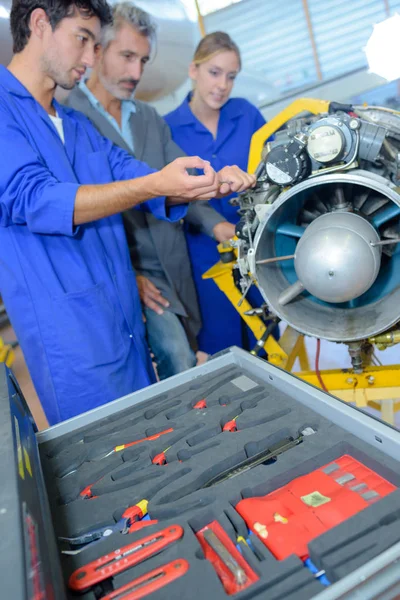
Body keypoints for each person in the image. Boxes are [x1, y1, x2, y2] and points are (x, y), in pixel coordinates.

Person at [0, 1, 255, 425]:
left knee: (153, 441)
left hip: (124, 328)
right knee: (108, 462)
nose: (89, 59)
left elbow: (144, 176)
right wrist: (155, 184)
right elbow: (35, 199)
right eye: (83, 39)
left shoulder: (75, 126)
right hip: (74, 339)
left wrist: (207, 180)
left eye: (96, 45)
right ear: (40, 22)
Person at [65, 3, 235, 381]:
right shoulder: (70, 120)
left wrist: (220, 225)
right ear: (96, 52)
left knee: (187, 356)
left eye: (143, 60)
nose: (136, 72)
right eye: (126, 56)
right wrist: (126, 278)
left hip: (174, 264)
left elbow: (182, 182)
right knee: (176, 358)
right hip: (128, 271)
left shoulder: (147, 118)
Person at [165, 32, 268, 356]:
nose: (222, 84)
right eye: (214, 72)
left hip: (257, 248)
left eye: (231, 76)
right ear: (193, 70)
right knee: (226, 353)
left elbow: (274, 163)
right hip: (203, 256)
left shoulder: (246, 114)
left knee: (269, 342)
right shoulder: (167, 129)